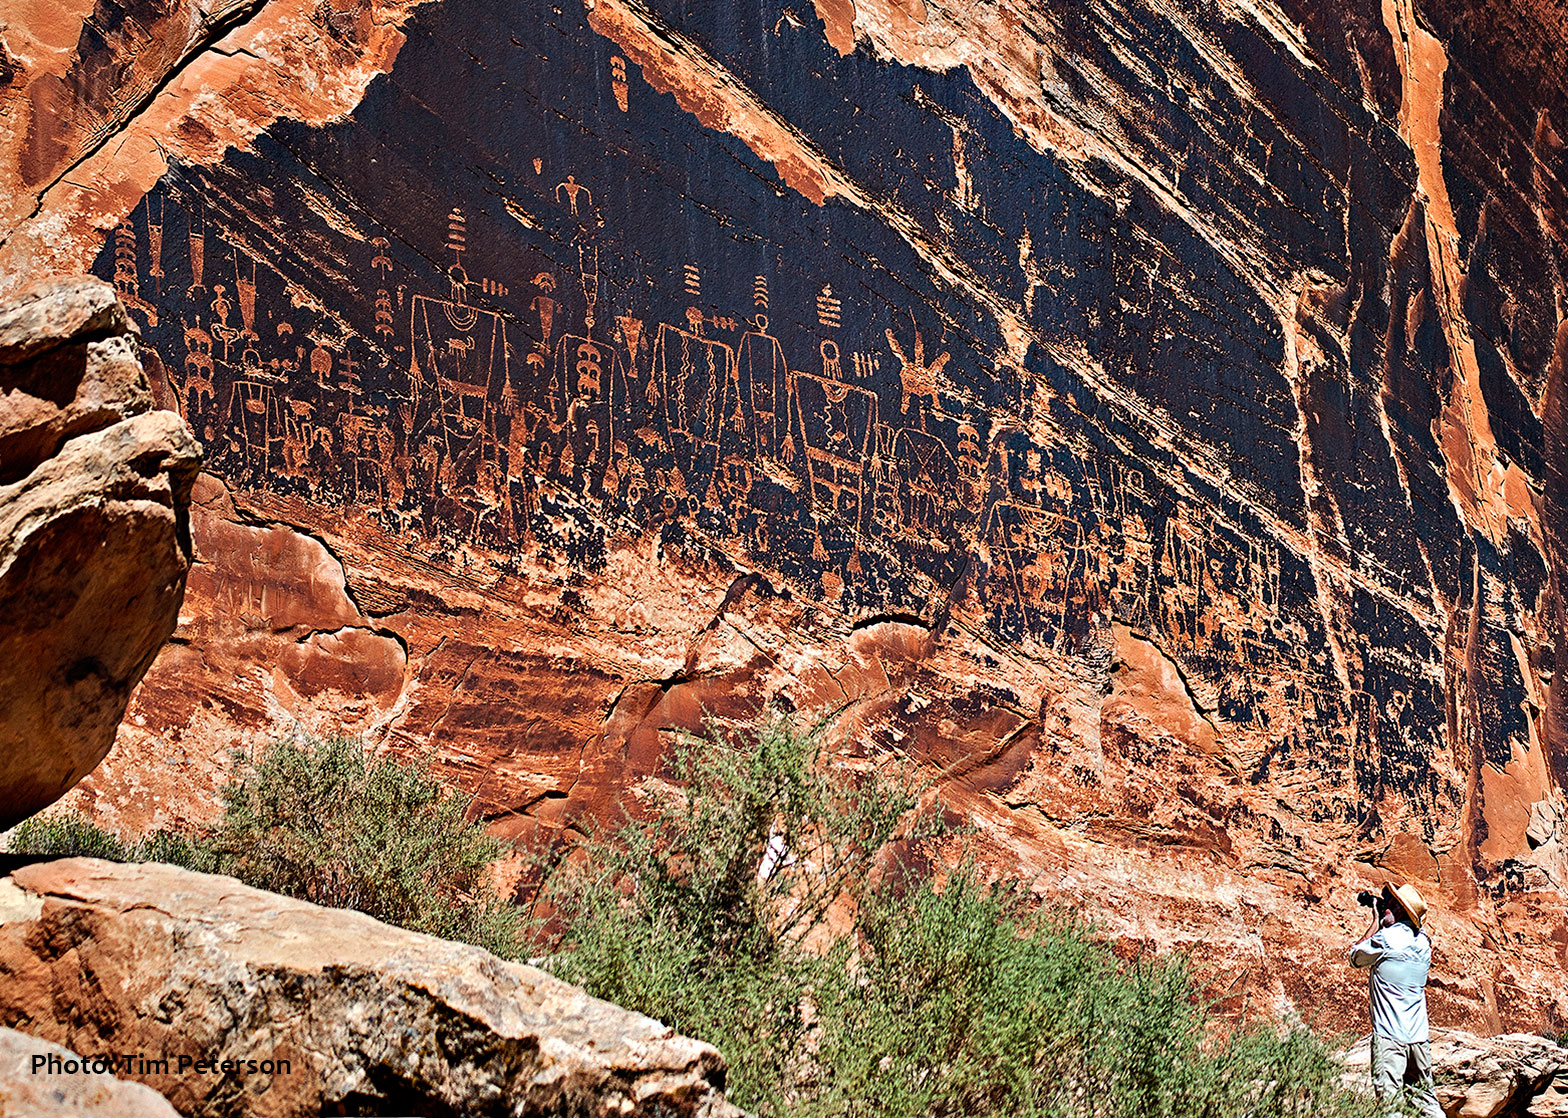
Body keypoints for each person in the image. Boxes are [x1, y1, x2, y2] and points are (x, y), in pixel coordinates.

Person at [1349, 882, 1442, 1118]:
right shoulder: (1424, 944)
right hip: (1419, 1038)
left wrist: (1375, 921)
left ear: (1400, 910)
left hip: (1390, 1037)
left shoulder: (1386, 939)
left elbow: (1355, 957)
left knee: (1390, 1107)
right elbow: (1414, 936)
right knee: (1426, 1103)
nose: (1385, 905)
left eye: (1390, 903)